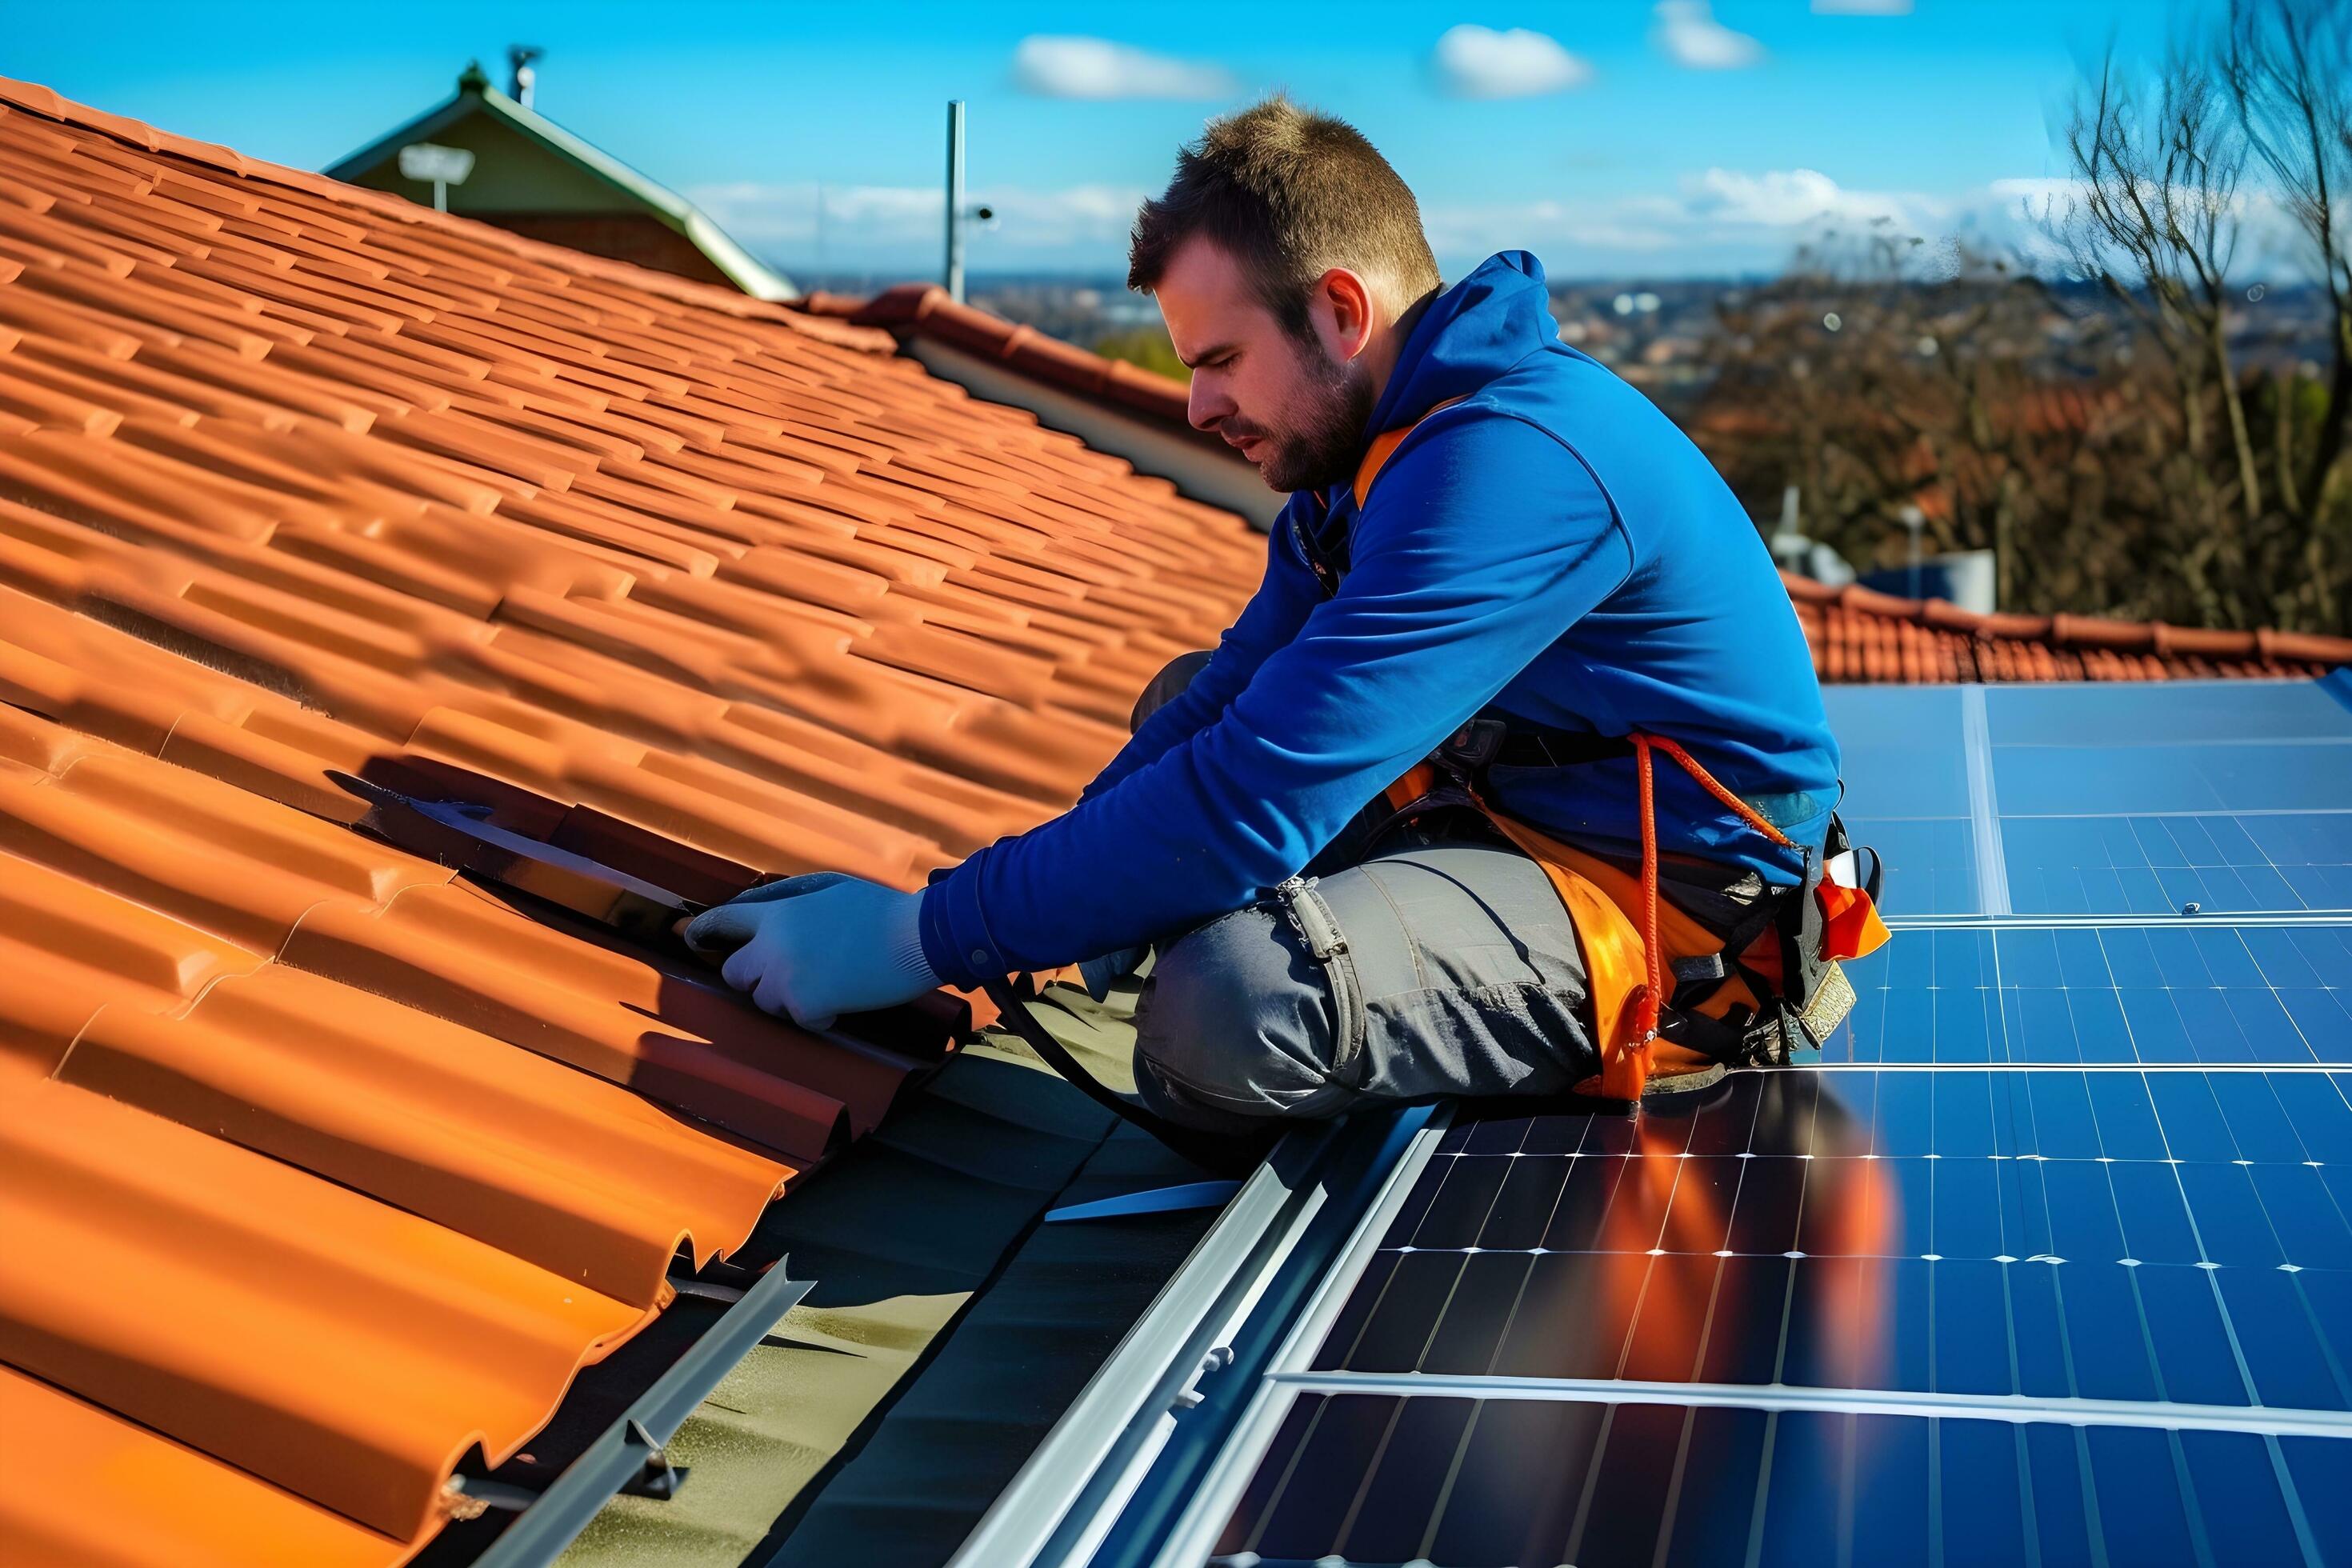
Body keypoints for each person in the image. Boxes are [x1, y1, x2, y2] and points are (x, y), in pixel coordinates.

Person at [687, 96, 1842, 1134]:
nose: (1198, 404)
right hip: (1504, 819)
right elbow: (1229, 705)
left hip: (1675, 903)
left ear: (1340, 310)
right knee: (1183, 707)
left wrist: (919, 939)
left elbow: (1253, 794)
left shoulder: (1516, 465)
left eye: (1223, 358)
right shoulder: (1367, 464)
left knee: (1228, 1009)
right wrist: (1046, 906)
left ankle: (1655, 1020)